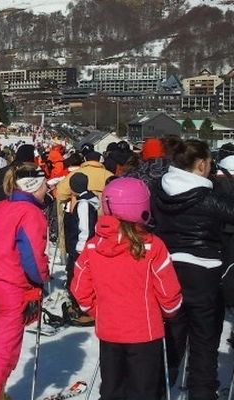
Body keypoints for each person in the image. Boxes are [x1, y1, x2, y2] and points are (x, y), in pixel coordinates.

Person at [71, 177, 182, 400]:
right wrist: (170, 313)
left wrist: (97, 310)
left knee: (113, 388)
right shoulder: (152, 245)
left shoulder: (93, 246)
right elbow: (169, 292)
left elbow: (80, 288)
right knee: (144, 390)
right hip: (145, 332)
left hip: (110, 332)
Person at [152, 139, 234, 400]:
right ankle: (201, 393)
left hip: (166, 271)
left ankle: (159, 389)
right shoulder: (208, 198)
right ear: (201, 165)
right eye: (209, 164)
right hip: (204, 274)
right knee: (204, 344)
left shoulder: (158, 190)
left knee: (170, 340)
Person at [0, 162, 50, 400]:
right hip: (12, 287)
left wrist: (0, 256)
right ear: (33, 186)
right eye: (44, 185)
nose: (47, 189)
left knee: (3, 339)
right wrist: (43, 276)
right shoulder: (31, 214)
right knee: (6, 347)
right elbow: (33, 259)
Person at [62, 172, 99, 327]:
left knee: (76, 276)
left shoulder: (83, 204)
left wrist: (79, 248)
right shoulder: (92, 199)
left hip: (81, 248)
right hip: (87, 246)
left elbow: (85, 227)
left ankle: (81, 308)